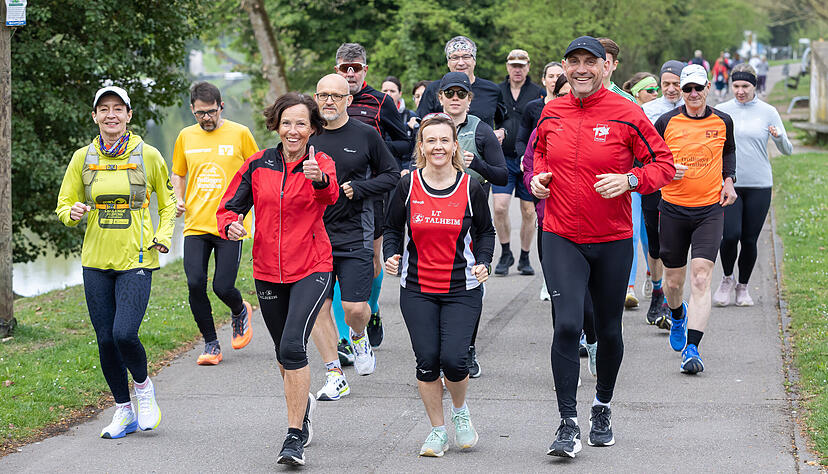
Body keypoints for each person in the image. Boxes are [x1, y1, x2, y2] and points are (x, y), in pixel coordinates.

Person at [531, 36, 675, 458]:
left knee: (609, 330)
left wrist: (631, 180)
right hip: (560, 234)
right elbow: (539, 155)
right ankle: (567, 423)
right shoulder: (552, 111)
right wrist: (537, 179)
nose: (581, 69)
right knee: (566, 325)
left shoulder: (627, 114)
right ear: (564, 67)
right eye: (573, 61)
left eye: (589, 62)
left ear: (605, 67)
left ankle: (602, 407)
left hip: (611, 239)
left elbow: (663, 164)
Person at [217, 92, 339, 466]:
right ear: (276, 125)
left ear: (313, 128)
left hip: (312, 266)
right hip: (268, 271)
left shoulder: (321, 163)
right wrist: (231, 225)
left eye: (301, 123)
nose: (293, 130)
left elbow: (330, 196)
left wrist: (318, 180)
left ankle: (293, 437)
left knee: (292, 346)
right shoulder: (257, 165)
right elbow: (229, 207)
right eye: (287, 122)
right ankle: (303, 409)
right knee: (283, 354)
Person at [56, 86, 175, 439]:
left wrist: (164, 235)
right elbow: (64, 205)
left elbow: (169, 203)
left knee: (124, 333)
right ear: (95, 116)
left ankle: (144, 388)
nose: (111, 115)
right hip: (95, 261)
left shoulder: (148, 154)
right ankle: (124, 410)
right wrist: (71, 213)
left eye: (118, 108)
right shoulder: (82, 158)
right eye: (104, 109)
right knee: (106, 340)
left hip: (136, 259)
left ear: (128, 115)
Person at [383, 112, 495, 457]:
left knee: (456, 361)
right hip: (417, 288)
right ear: (421, 146)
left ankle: (460, 412)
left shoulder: (470, 187)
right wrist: (390, 254)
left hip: (462, 288)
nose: (438, 146)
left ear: (454, 145)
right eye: (431, 140)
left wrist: (484, 261)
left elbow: (486, 232)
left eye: (444, 140)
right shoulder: (408, 186)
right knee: (427, 361)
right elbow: (392, 228)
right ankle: (437, 431)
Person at [309, 74, 400, 401]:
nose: (329, 101)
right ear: (316, 98)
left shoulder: (365, 135)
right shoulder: (307, 135)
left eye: (336, 95)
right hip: (314, 235)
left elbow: (392, 175)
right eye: (323, 95)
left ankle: (359, 335)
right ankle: (334, 374)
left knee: (355, 308)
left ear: (348, 100)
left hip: (355, 232)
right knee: (318, 307)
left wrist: (360, 188)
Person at [654, 64, 737, 375]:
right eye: (687, 89)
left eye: (697, 88)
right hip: (673, 209)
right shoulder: (666, 122)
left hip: (709, 210)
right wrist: (666, 169)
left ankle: (692, 349)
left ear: (707, 88)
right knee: (674, 282)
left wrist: (729, 180)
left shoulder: (723, 121)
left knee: (701, 278)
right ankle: (677, 315)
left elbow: (728, 152)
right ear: (681, 91)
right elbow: (649, 159)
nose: (692, 94)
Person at [171, 81, 259, 365]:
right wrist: (178, 198)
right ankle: (211, 344)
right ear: (192, 110)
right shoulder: (185, 136)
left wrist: (252, 211)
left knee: (222, 286)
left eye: (211, 111)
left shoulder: (240, 133)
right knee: (195, 283)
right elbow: (178, 173)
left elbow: (257, 173)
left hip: (230, 224)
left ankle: (239, 309)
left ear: (221, 106)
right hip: (196, 224)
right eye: (200, 113)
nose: (206, 118)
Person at [334, 43, 409, 351]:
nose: (350, 73)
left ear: (365, 70)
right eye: (345, 68)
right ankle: (344, 338)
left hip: (372, 195)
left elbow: (405, 143)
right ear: (337, 69)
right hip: (334, 196)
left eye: (356, 68)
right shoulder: (327, 100)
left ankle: (372, 308)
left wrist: (372, 150)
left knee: (372, 263)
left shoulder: (381, 102)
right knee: (337, 266)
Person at [437, 71, 508, 378]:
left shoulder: (481, 130)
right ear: (440, 98)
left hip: (471, 219)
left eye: (461, 94)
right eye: (449, 94)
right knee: (432, 285)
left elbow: (502, 175)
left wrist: (475, 163)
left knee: (471, 283)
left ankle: (467, 346)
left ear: (469, 99)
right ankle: (441, 346)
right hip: (434, 219)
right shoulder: (430, 128)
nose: (455, 99)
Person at [713, 64, 792, 306]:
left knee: (749, 239)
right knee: (730, 236)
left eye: (745, 86)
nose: (740, 91)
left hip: (759, 184)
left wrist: (779, 137)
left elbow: (788, 150)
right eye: (736, 86)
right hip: (729, 184)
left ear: (754, 86)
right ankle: (727, 279)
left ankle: (743, 287)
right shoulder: (721, 110)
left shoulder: (768, 112)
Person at [597, 38, 644, 309]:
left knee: (630, 234)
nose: (600, 66)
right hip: (584, 186)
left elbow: (643, 149)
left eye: (606, 61)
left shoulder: (627, 102)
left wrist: (629, 179)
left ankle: (626, 287)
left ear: (613, 65)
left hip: (620, 185)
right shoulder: (574, 97)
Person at [491, 49, 544, 278]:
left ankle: (524, 256)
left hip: (528, 159)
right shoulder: (497, 91)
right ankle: (505, 253)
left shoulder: (538, 93)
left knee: (528, 211)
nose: (517, 69)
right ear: (507, 66)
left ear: (528, 67)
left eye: (521, 65)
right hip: (501, 157)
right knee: (500, 207)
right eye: (513, 65)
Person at [641, 60, 686, 329]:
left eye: (676, 84)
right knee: (655, 244)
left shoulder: (691, 110)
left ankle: (672, 300)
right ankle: (657, 291)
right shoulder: (648, 110)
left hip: (682, 186)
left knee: (675, 245)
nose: (671, 89)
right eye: (666, 84)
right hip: (654, 183)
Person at [416, 36, 506, 133]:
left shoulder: (492, 90)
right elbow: (421, 125)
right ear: (448, 62)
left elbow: (505, 119)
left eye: (466, 57)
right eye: (455, 57)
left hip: (483, 142)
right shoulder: (433, 89)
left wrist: (502, 131)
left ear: (474, 61)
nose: (461, 63)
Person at [516, 61, 564, 159]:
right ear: (544, 80)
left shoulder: (571, 107)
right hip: (536, 161)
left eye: (559, 76)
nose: (555, 80)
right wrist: (524, 159)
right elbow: (521, 140)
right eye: (551, 76)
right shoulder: (532, 107)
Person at [382, 75, 418, 171]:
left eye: (392, 91)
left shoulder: (410, 116)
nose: (388, 94)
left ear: (400, 94)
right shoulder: (374, 115)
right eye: (385, 91)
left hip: (406, 167)